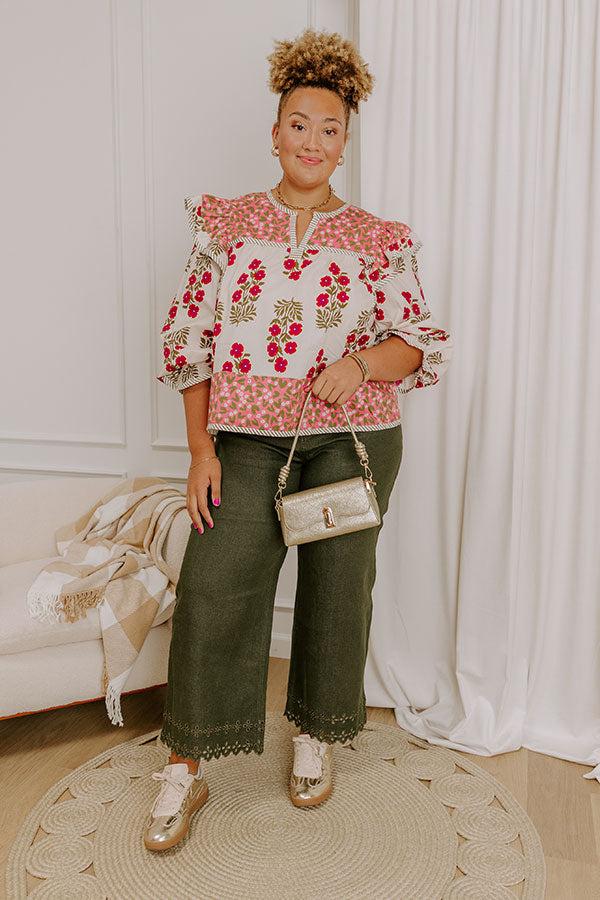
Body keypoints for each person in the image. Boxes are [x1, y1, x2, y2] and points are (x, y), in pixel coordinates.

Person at [144, 27, 453, 852]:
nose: (312, 141)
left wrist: (361, 363)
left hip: (351, 441)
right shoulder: (227, 225)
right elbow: (189, 340)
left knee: (340, 589)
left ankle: (315, 732)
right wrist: (201, 450)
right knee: (215, 585)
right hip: (245, 442)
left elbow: (419, 342)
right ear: (275, 133)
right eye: (299, 124)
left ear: (345, 144)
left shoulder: (381, 239)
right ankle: (183, 766)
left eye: (329, 129)